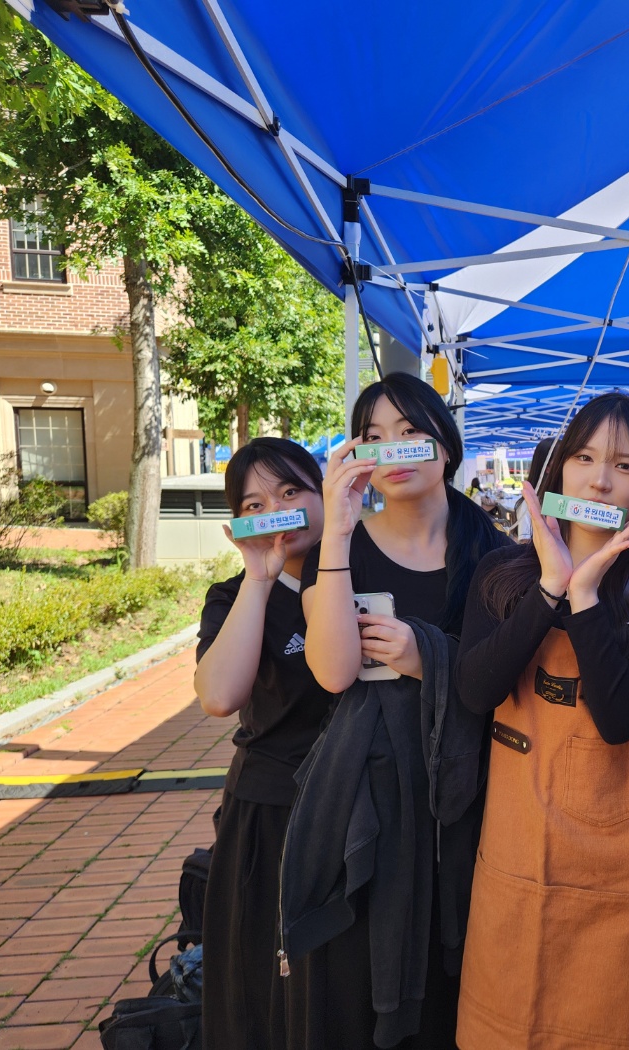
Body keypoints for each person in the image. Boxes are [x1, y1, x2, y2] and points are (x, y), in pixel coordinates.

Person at [455, 392, 629, 1050]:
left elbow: (618, 721)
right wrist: (549, 590)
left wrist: (584, 597)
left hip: (624, 860)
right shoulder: (502, 574)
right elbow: (475, 692)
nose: (600, 480)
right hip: (517, 847)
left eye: (625, 465)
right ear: (558, 468)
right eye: (584, 457)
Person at [290, 372, 510, 1050]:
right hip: (371, 803)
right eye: (374, 436)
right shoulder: (342, 549)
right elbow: (332, 672)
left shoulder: (497, 555)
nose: (393, 449)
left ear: (445, 444)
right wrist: (336, 531)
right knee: (364, 977)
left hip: (469, 801)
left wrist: (427, 658)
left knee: (459, 980)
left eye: (410, 432)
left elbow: (508, 683)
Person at [193, 438, 330, 1050]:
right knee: (264, 993)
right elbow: (219, 696)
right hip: (271, 815)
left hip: (362, 807)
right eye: (256, 504)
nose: (278, 510)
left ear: (324, 495)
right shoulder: (233, 596)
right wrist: (258, 578)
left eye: (291, 491)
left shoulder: (364, 573)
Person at [514, 437, 554, 543]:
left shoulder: (567, 498)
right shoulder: (529, 504)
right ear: (547, 467)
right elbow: (525, 543)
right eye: (561, 459)